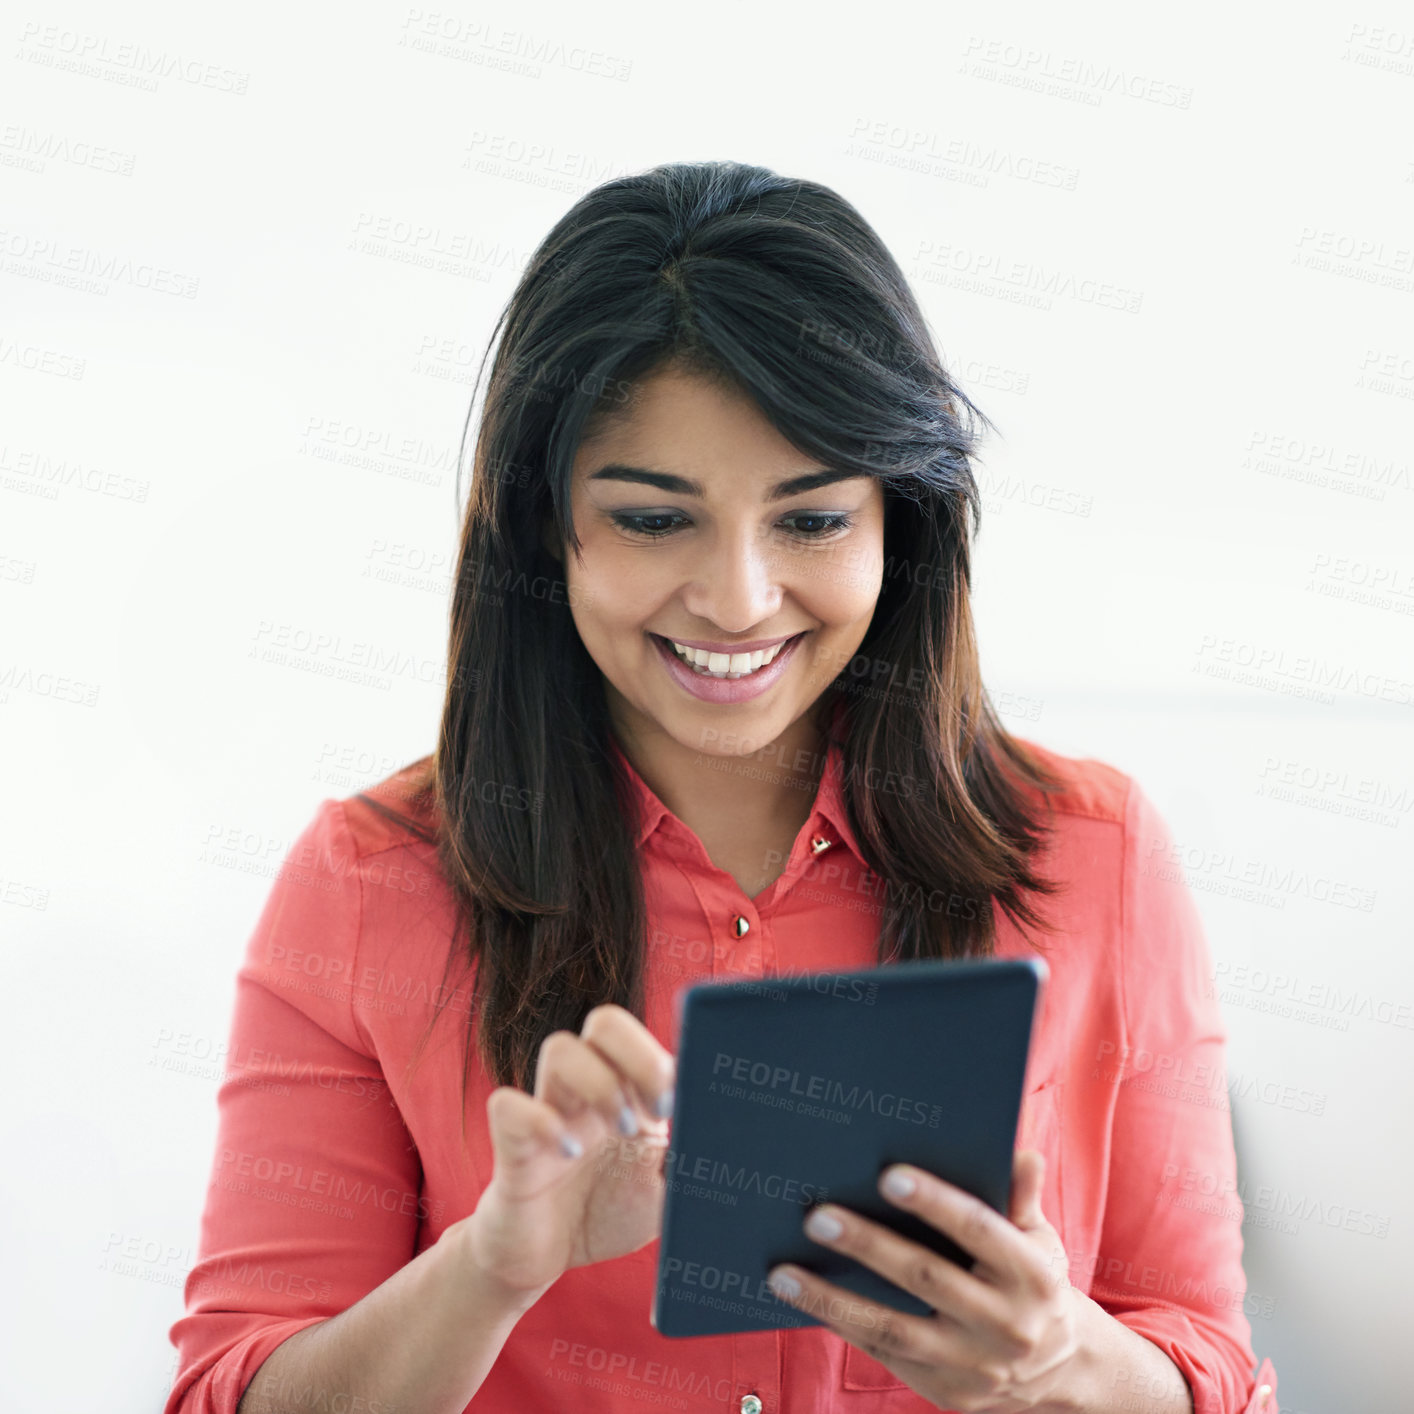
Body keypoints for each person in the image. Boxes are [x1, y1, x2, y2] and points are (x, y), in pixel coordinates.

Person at [164, 160, 1279, 1414]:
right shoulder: (370, 884)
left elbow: (1216, 1375)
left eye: (809, 522)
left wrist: (1057, 1361)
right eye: (654, 520)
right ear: (546, 524)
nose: (739, 600)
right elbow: (231, 1391)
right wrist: (487, 1270)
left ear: (896, 524)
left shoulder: (1096, 852)